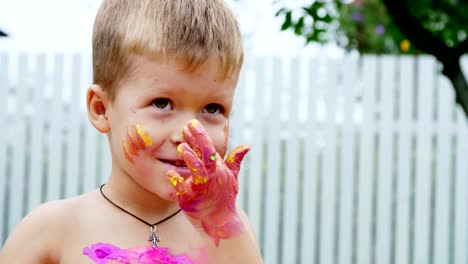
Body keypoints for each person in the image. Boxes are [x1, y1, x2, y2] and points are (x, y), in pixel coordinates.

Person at [0, 0, 263, 263]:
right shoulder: (52, 231)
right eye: (162, 103)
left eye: (212, 108)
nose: (191, 133)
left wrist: (225, 229)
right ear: (102, 109)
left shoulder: (227, 232)